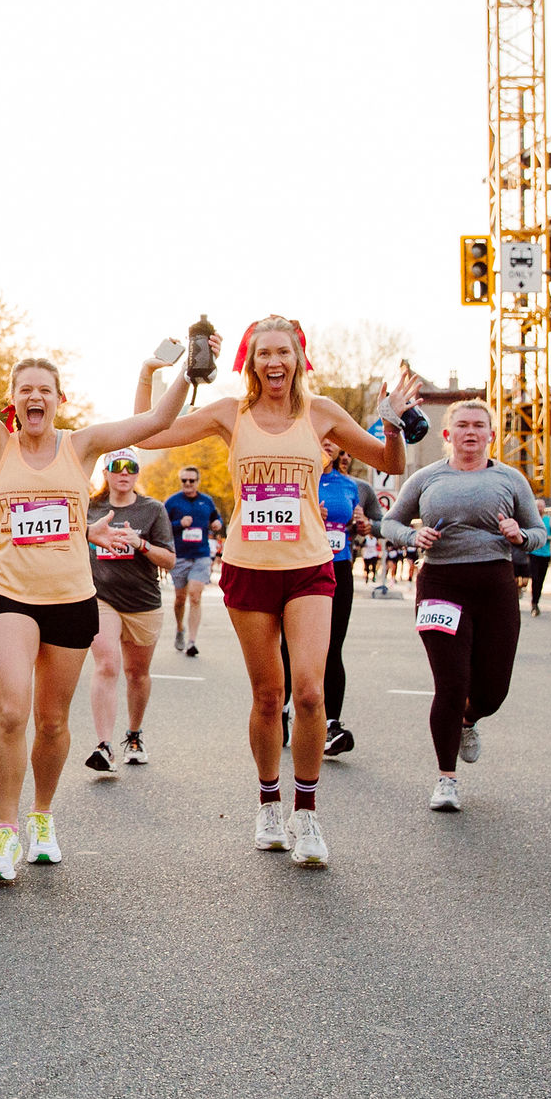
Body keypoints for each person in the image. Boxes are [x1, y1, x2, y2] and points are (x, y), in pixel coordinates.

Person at [136, 317, 419, 865]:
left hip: (309, 565)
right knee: (269, 697)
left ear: (297, 359)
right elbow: (148, 433)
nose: (273, 362)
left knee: (309, 692)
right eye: (263, 353)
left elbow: (390, 464)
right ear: (250, 361)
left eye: (283, 353)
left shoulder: (322, 414)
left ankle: (307, 813)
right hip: (248, 566)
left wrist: (391, 424)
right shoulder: (228, 413)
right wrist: (151, 370)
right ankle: (269, 802)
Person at [0, 285, 197, 884]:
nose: (35, 397)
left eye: (44, 390)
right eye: (24, 389)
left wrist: (186, 367)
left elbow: (159, 419)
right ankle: (4, 832)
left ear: (59, 399)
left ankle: (41, 817)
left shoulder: (80, 447)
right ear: (13, 401)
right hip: (8, 594)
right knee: (10, 711)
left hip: (73, 600)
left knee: (53, 723)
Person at [381, 402, 544, 811]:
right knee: (451, 683)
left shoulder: (511, 478)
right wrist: (410, 538)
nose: (470, 432)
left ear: (491, 434)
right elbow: (391, 522)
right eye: (462, 426)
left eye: (479, 426)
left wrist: (520, 535)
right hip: (441, 582)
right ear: (447, 435)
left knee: (492, 691)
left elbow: (539, 532)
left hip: (494, 584)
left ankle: (470, 720)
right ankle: (446, 778)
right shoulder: (427, 477)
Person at [84, 449, 176, 770]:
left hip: (142, 601)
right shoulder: (90, 508)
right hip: (101, 597)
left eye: (130, 467)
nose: (123, 473)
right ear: (106, 472)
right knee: (107, 664)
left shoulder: (152, 510)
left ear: (137, 474)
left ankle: (134, 735)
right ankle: (103, 746)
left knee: (137, 674)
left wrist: (141, 545)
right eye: (116, 467)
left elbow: (169, 560)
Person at [315, 439, 380, 757]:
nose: (328, 445)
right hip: (300, 567)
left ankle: (331, 725)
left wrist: (365, 525)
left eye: (333, 441)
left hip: (338, 570)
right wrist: (307, 514)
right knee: (289, 647)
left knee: (332, 647)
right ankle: (283, 709)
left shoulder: (355, 486)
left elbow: (379, 524)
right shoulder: (297, 476)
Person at [162, 466, 223, 657]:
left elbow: (216, 517)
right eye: (184, 481)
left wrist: (217, 523)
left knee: (195, 596)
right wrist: (180, 524)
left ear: (198, 482)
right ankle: (180, 629)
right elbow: (161, 528)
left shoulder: (206, 501)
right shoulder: (172, 502)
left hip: (201, 555)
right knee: (180, 598)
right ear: (180, 482)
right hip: (179, 556)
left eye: (192, 481)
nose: (188, 484)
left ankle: (192, 642)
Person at [522, 508, 551, 616]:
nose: (540, 509)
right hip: (533, 553)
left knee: (540, 580)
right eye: (538, 506)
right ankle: (533, 603)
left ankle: (536, 601)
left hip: (545, 554)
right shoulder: (530, 519)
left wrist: (548, 537)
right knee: (534, 578)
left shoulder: (550, 520)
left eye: (541, 507)